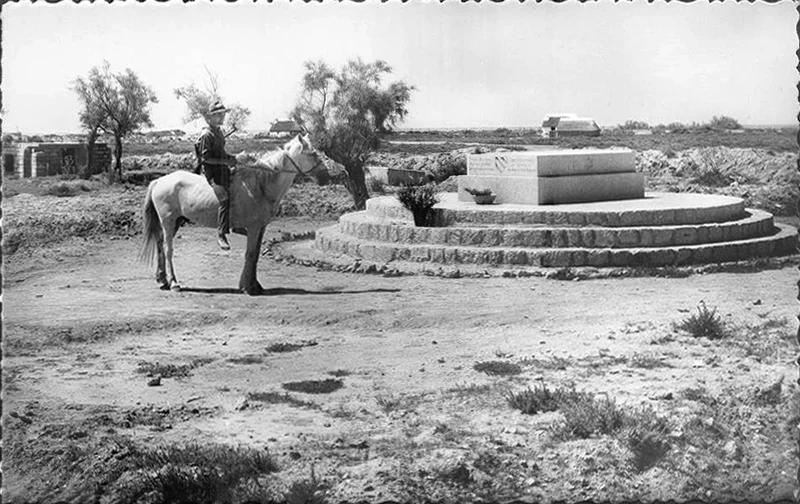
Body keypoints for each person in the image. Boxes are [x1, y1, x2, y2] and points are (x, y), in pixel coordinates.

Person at [197, 100, 238, 250]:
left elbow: (220, 153)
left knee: (239, 188)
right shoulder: (207, 134)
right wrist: (225, 161)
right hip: (212, 174)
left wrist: (230, 158)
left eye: (223, 114)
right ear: (211, 117)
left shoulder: (218, 132)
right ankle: (221, 234)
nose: (222, 117)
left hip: (222, 170)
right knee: (224, 199)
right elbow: (205, 158)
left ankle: (235, 225)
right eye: (218, 115)